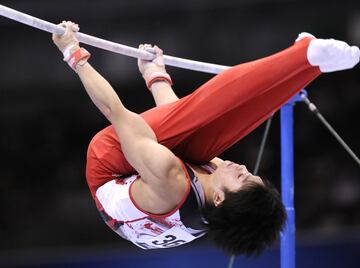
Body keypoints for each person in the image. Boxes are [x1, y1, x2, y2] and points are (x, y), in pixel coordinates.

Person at [52, 21, 359, 255]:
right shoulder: (216, 196)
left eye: (243, 178)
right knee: (220, 123)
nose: (243, 168)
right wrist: (155, 75)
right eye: (252, 174)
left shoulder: (171, 183)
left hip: (108, 168)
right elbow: (180, 124)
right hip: (157, 175)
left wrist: (73, 53)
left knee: (210, 107)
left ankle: (303, 56)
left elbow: (115, 111)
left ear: (219, 198)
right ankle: (310, 64)